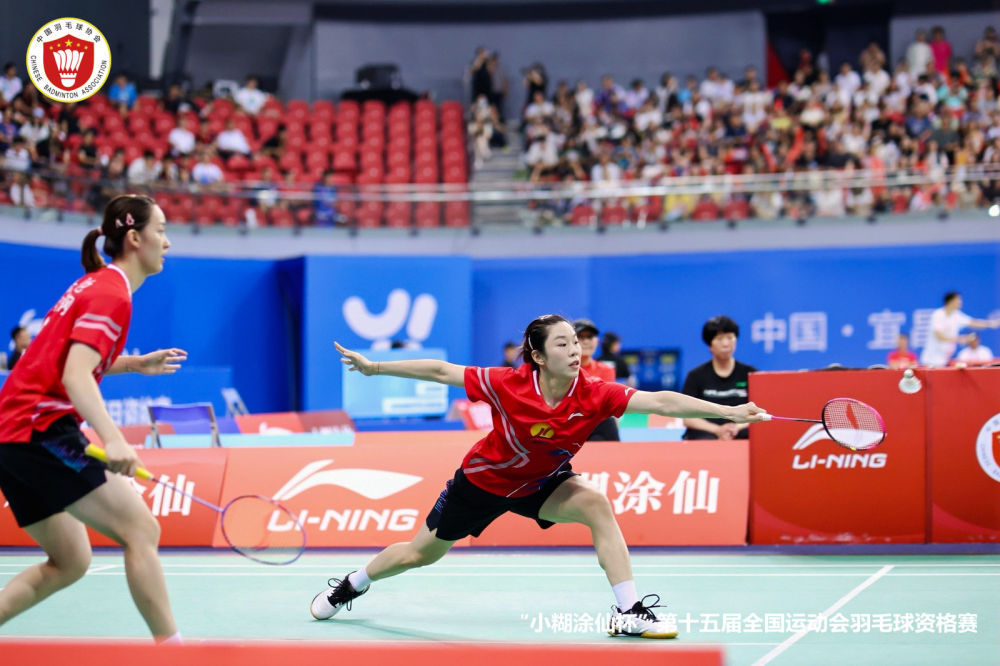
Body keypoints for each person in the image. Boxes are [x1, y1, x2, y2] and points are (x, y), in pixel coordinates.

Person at [309, 315, 765, 638]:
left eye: (576, 343)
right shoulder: (507, 383)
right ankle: (354, 582)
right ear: (538, 355)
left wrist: (729, 411)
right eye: (562, 344)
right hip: (482, 482)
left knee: (596, 503)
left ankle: (628, 610)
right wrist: (374, 366)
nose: (575, 350)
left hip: (540, 484)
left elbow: (661, 401)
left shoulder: (595, 393)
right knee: (419, 554)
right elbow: (441, 370)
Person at [0, 194, 187, 644]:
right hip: (36, 429)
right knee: (141, 529)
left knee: (70, 560)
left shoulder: (96, 284)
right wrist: (113, 439)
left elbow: (59, 357)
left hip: (13, 432)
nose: (167, 242)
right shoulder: (110, 294)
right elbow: (75, 374)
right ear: (135, 238)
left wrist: (133, 363)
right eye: (161, 231)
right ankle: (174, 652)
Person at [681, 315, 757, 441]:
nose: (726, 344)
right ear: (710, 345)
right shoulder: (695, 376)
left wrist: (736, 428)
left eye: (730, 337)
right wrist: (717, 430)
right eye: (720, 339)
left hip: (740, 430)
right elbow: (687, 417)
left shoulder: (750, 373)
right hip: (707, 433)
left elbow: (759, 411)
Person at [919, 291, 1000, 367]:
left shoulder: (956, 316)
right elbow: (939, 336)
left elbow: (973, 322)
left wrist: (991, 324)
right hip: (930, 361)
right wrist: (960, 339)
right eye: (958, 300)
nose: (960, 302)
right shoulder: (938, 315)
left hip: (944, 361)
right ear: (950, 301)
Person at [573, 318, 619, 441]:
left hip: (595, 427)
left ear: (597, 341)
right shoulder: (560, 370)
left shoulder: (606, 370)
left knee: (606, 424)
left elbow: (605, 405)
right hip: (568, 426)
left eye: (590, 337)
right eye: (580, 337)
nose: (586, 341)